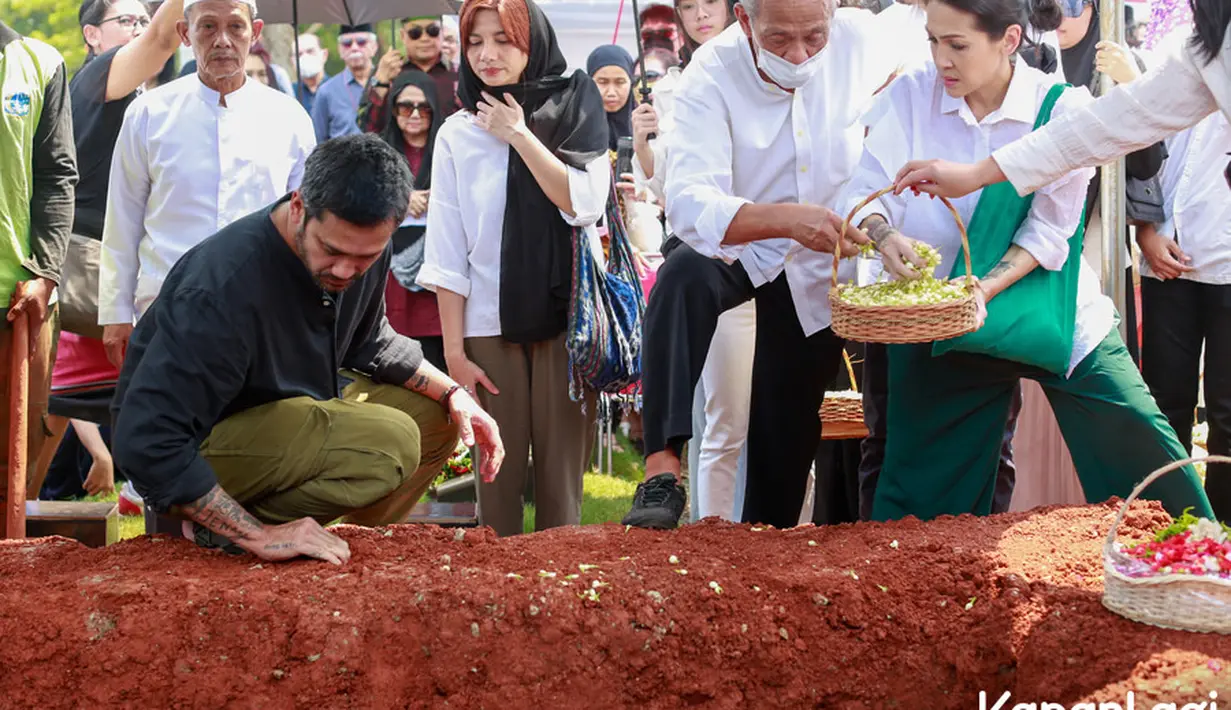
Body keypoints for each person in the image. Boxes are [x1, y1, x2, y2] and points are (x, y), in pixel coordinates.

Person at [844, 0, 1212, 522]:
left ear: (1010, 40)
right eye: (933, 41)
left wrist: (984, 287)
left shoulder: (1061, 107)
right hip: (944, 322)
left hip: (1049, 308)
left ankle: (1189, 563)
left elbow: (1048, 232)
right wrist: (883, 236)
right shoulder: (908, 95)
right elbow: (863, 192)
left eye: (958, 45)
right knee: (921, 496)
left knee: (1140, 440)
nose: (940, 59)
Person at [110, 134, 503, 563]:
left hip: (286, 424)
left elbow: (368, 340)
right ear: (298, 206)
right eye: (332, 251)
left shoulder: (358, 254)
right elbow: (146, 440)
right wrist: (257, 534)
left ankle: (343, 546)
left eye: (365, 258)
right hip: (198, 452)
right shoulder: (221, 286)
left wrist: (454, 394)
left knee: (436, 419)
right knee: (390, 440)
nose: (345, 270)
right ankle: (222, 534)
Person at [620, 0, 892, 530]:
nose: (799, 55)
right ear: (744, 19)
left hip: (821, 270)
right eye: (779, 39)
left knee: (784, 440)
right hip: (742, 246)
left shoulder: (867, 41)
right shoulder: (712, 71)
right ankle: (661, 467)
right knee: (682, 277)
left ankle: (765, 560)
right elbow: (690, 201)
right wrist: (785, 221)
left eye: (815, 37)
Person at [417, 0, 610, 537]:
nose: (487, 55)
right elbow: (448, 254)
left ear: (532, 39)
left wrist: (519, 134)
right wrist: (455, 355)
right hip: (486, 325)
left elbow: (584, 203)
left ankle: (565, 602)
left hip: (567, 320)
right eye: (475, 41)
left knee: (560, 486)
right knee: (494, 485)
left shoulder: (576, 104)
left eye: (503, 39)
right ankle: (495, 607)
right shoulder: (457, 130)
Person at [100, 0, 316, 369]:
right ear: (185, 34)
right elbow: (122, 221)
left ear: (255, 33)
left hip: (263, 310)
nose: (222, 41)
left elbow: (304, 226)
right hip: (165, 311)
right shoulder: (149, 113)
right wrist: (115, 312)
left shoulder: (289, 117)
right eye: (207, 27)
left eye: (235, 27)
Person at [1137, 113, 1231, 521]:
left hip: (1225, 265)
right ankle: (1169, 523)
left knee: (1227, 412)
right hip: (1167, 263)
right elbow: (1142, 164)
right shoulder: (1181, 69)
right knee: (1164, 403)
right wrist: (1146, 233)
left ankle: (1222, 531)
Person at [0, 21, 77, 511]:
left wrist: (46, 273)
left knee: (12, 460)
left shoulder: (39, 63)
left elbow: (56, 175)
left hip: (17, 298)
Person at [376, 71, 447, 371]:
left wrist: (439, 199)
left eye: (423, 107)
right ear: (393, 110)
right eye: (405, 107)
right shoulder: (376, 151)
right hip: (392, 272)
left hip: (438, 267)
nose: (414, 114)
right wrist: (402, 200)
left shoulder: (449, 149)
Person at [361, 16, 459, 134]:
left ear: (442, 33)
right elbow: (366, 127)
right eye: (415, 33)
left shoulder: (459, 74)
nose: (424, 38)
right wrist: (381, 82)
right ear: (403, 36)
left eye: (432, 31)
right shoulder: (387, 71)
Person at [310, 23, 376, 143]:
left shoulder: (387, 83)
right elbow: (318, 140)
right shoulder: (327, 91)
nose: (354, 47)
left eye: (361, 42)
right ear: (340, 49)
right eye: (347, 43)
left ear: (374, 47)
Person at [587, 45, 634, 150]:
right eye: (602, 82)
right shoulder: (576, 128)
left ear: (631, 82)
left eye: (620, 82)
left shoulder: (645, 124)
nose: (611, 92)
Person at [293, 32, 329, 115]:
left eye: (310, 51)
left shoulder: (337, 89)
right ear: (292, 60)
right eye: (299, 54)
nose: (305, 57)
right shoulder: (290, 93)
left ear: (324, 55)